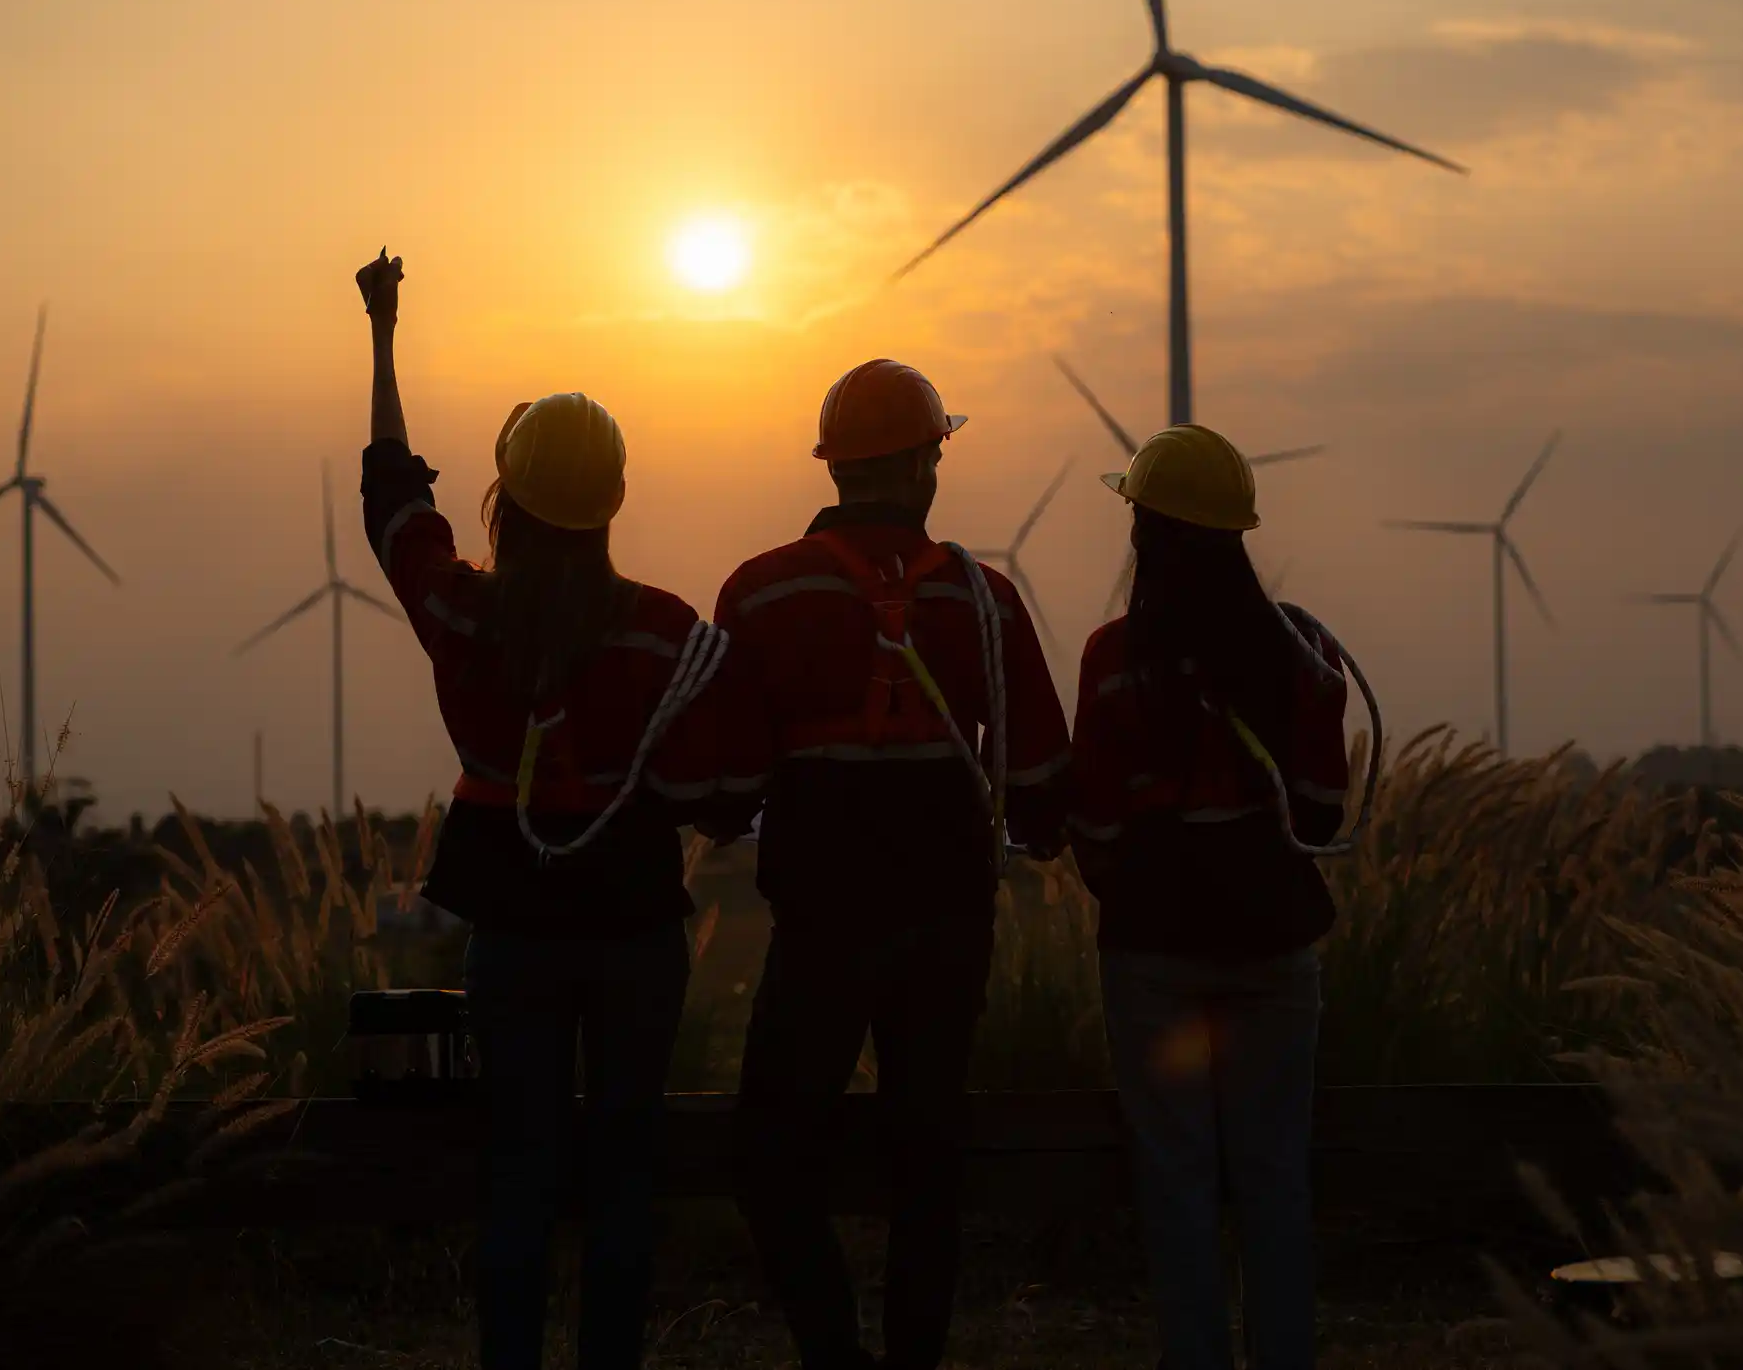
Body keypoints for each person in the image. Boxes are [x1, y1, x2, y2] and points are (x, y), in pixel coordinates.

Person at [355, 248, 729, 1370]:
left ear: (507, 498)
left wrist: (382, 330)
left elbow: (392, 491)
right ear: (613, 500)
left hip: (512, 934)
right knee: (623, 1179)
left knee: (515, 1179)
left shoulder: (460, 613)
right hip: (635, 934)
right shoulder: (672, 633)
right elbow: (724, 784)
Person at [707, 359, 1072, 1370]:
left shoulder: (760, 592)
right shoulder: (985, 599)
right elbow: (1041, 778)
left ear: (834, 464)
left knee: (771, 1160)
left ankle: (835, 1355)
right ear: (925, 461)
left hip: (819, 927)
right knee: (929, 1165)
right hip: (947, 929)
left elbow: (728, 787)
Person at [1069, 424, 1352, 1370]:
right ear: (1239, 533)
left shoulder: (1113, 659)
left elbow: (1097, 830)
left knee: (1176, 1182)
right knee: (1275, 1180)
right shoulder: (1304, 654)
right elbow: (1319, 813)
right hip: (1274, 948)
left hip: (1151, 952)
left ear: (1144, 533)